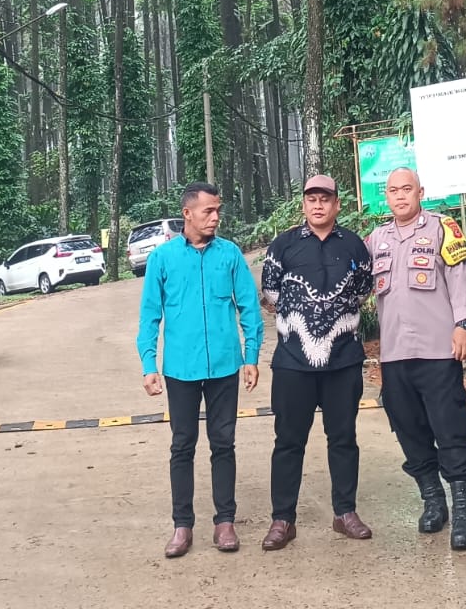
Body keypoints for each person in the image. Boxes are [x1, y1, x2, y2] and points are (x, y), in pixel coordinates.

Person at [136, 181, 263, 559]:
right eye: (208, 210)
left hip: (225, 366)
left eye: (218, 210)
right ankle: (182, 525)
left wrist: (251, 356)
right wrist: (149, 364)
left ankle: (225, 521)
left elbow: (249, 309)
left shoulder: (230, 255)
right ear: (187, 214)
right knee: (182, 445)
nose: (215, 217)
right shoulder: (163, 259)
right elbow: (150, 317)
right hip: (180, 369)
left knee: (223, 443)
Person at [364, 167, 466, 550]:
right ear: (386, 197)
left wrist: (464, 323)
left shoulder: (442, 228)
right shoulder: (376, 240)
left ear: (421, 192)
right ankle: (433, 500)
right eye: (393, 191)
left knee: (450, 428)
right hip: (395, 355)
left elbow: (461, 277)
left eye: (407, 189)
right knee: (409, 429)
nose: (400, 196)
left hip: (438, 351)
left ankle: (464, 509)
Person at [258, 173, 374, 551]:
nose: (318, 205)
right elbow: (271, 294)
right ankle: (283, 520)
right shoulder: (283, 246)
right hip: (293, 362)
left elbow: (362, 294)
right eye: (312, 198)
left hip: (343, 360)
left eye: (326, 198)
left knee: (343, 438)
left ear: (337, 204)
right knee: (288, 441)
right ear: (303, 204)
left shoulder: (355, 246)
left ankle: (345, 512)